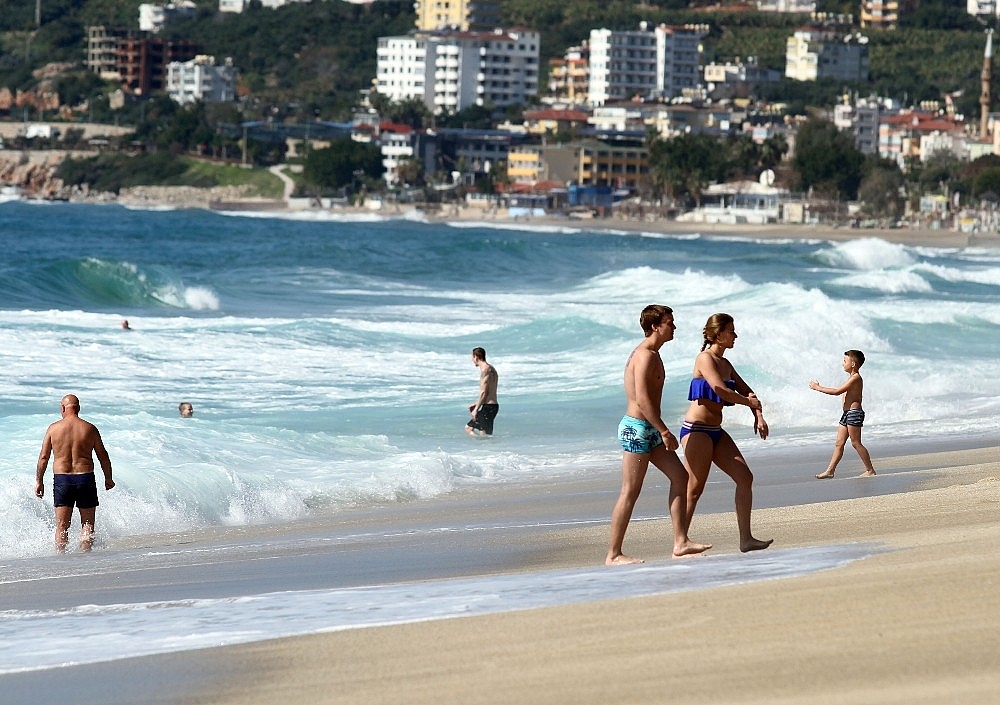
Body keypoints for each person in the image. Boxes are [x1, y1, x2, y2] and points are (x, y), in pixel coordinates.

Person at [607, 305, 711, 565]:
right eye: (669, 322)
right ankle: (613, 554)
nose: (673, 326)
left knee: (680, 477)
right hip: (637, 429)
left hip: (648, 428)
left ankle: (680, 542)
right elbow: (642, 399)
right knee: (630, 491)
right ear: (656, 326)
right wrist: (664, 431)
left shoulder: (652, 353)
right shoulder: (645, 355)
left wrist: (659, 429)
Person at [680, 313, 773, 553]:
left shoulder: (726, 364)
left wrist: (759, 416)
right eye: (731, 331)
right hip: (696, 431)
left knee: (745, 478)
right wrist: (748, 403)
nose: (735, 335)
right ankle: (680, 542)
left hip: (715, 431)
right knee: (695, 488)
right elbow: (720, 390)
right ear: (718, 334)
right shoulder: (705, 358)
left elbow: (750, 393)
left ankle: (746, 539)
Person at [34, 394, 116, 553]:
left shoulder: (53, 428)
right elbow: (103, 456)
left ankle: (61, 557)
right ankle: (86, 557)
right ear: (78, 408)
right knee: (87, 523)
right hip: (85, 478)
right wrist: (108, 478)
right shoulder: (89, 428)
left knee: (62, 525)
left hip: (62, 479)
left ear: (63, 408)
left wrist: (39, 480)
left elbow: (44, 457)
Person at [810, 350, 876, 479]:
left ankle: (870, 470)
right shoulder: (851, 377)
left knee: (856, 443)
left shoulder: (856, 377)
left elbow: (836, 392)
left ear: (853, 364)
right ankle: (830, 471)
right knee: (839, 443)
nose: (842, 364)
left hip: (854, 413)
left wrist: (817, 387)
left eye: (845, 361)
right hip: (846, 414)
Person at [466, 347, 499, 436]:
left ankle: (483, 447)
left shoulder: (485, 371)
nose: (472, 360)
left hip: (488, 407)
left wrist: (476, 409)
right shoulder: (492, 368)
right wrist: (477, 404)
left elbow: (483, 392)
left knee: (469, 428)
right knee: (486, 434)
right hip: (493, 406)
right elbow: (489, 392)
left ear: (476, 357)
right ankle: (488, 448)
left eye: (472, 358)